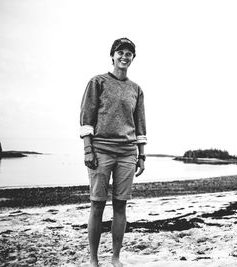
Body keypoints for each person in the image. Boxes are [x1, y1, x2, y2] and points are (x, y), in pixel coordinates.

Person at [79, 37, 147, 267]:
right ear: (112, 56)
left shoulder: (136, 89)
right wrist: (88, 149)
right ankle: (93, 260)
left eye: (129, 53)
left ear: (133, 59)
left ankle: (115, 258)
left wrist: (142, 155)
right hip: (101, 150)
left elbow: (140, 124)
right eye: (120, 52)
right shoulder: (97, 82)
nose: (124, 57)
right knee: (97, 204)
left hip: (128, 153)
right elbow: (86, 118)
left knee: (120, 205)